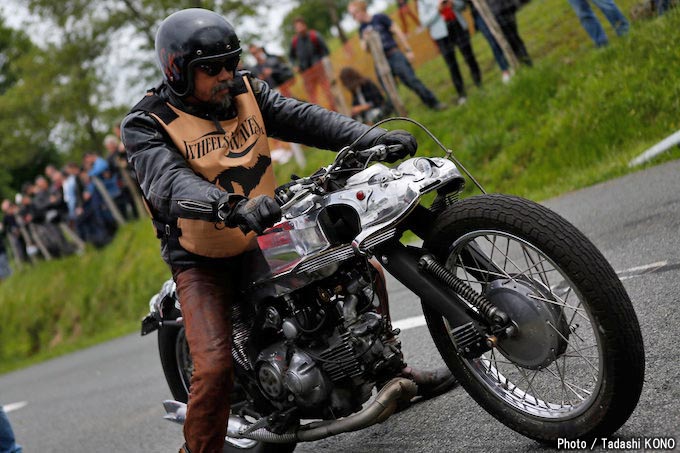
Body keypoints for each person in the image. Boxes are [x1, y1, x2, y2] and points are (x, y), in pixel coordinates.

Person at [121, 9, 456, 453]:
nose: (225, 75)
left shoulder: (246, 91)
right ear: (177, 70)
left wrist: (368, 137)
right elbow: (166, 182)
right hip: (203, 259)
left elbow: (303, 117)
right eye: (211, 69)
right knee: (215, 368)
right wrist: (228, 205)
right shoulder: (147, 122)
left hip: (264, 232)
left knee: (355, 267)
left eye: (231, 63)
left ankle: (389, 370)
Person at [348, 0, 447, 111]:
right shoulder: (362, 29)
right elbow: (365, 48)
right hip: (380, 62)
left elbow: (397, 31)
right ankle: (400, 112)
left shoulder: (380, 18)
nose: (355, 17)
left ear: (362, 9)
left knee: (411, 80)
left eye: (355, 13)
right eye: (352, 15)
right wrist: (366, 39)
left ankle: (433, 103)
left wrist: (408, 50)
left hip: (394, 55)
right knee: (388, 90)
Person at [418, 0, 481, 105]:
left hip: (457, 25)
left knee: (469, 56)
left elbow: (463, 5)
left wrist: (453, 3)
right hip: (441, 35)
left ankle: (478, 82)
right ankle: (461, 93)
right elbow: (424, 21)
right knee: (452, 65)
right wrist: (437, 10)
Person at [288, 17, 337, 110]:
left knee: (329, 93)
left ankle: (335, 112)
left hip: (320, 71)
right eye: (297, 27)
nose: (300, 29)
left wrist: (322, 61)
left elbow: (326, 51)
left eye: (301, 26)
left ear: (305, 25)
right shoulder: (294, 42)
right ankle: (317, 115)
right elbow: (291, 57)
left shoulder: (314, 36)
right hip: (306, 74)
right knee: (312, 98)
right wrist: (295, 66)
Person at [467, 1, 512, 83]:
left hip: (493, 6)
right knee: (493, 42)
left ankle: (517, 60)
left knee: (507, 34)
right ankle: (505, 70)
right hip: (478, 14)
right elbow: (460, 4)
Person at [486, 0, 533, 66]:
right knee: (511, 39)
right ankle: (523, 61)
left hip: (501, 9)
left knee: (513, 38)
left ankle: (525, 61)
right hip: (498, 10)